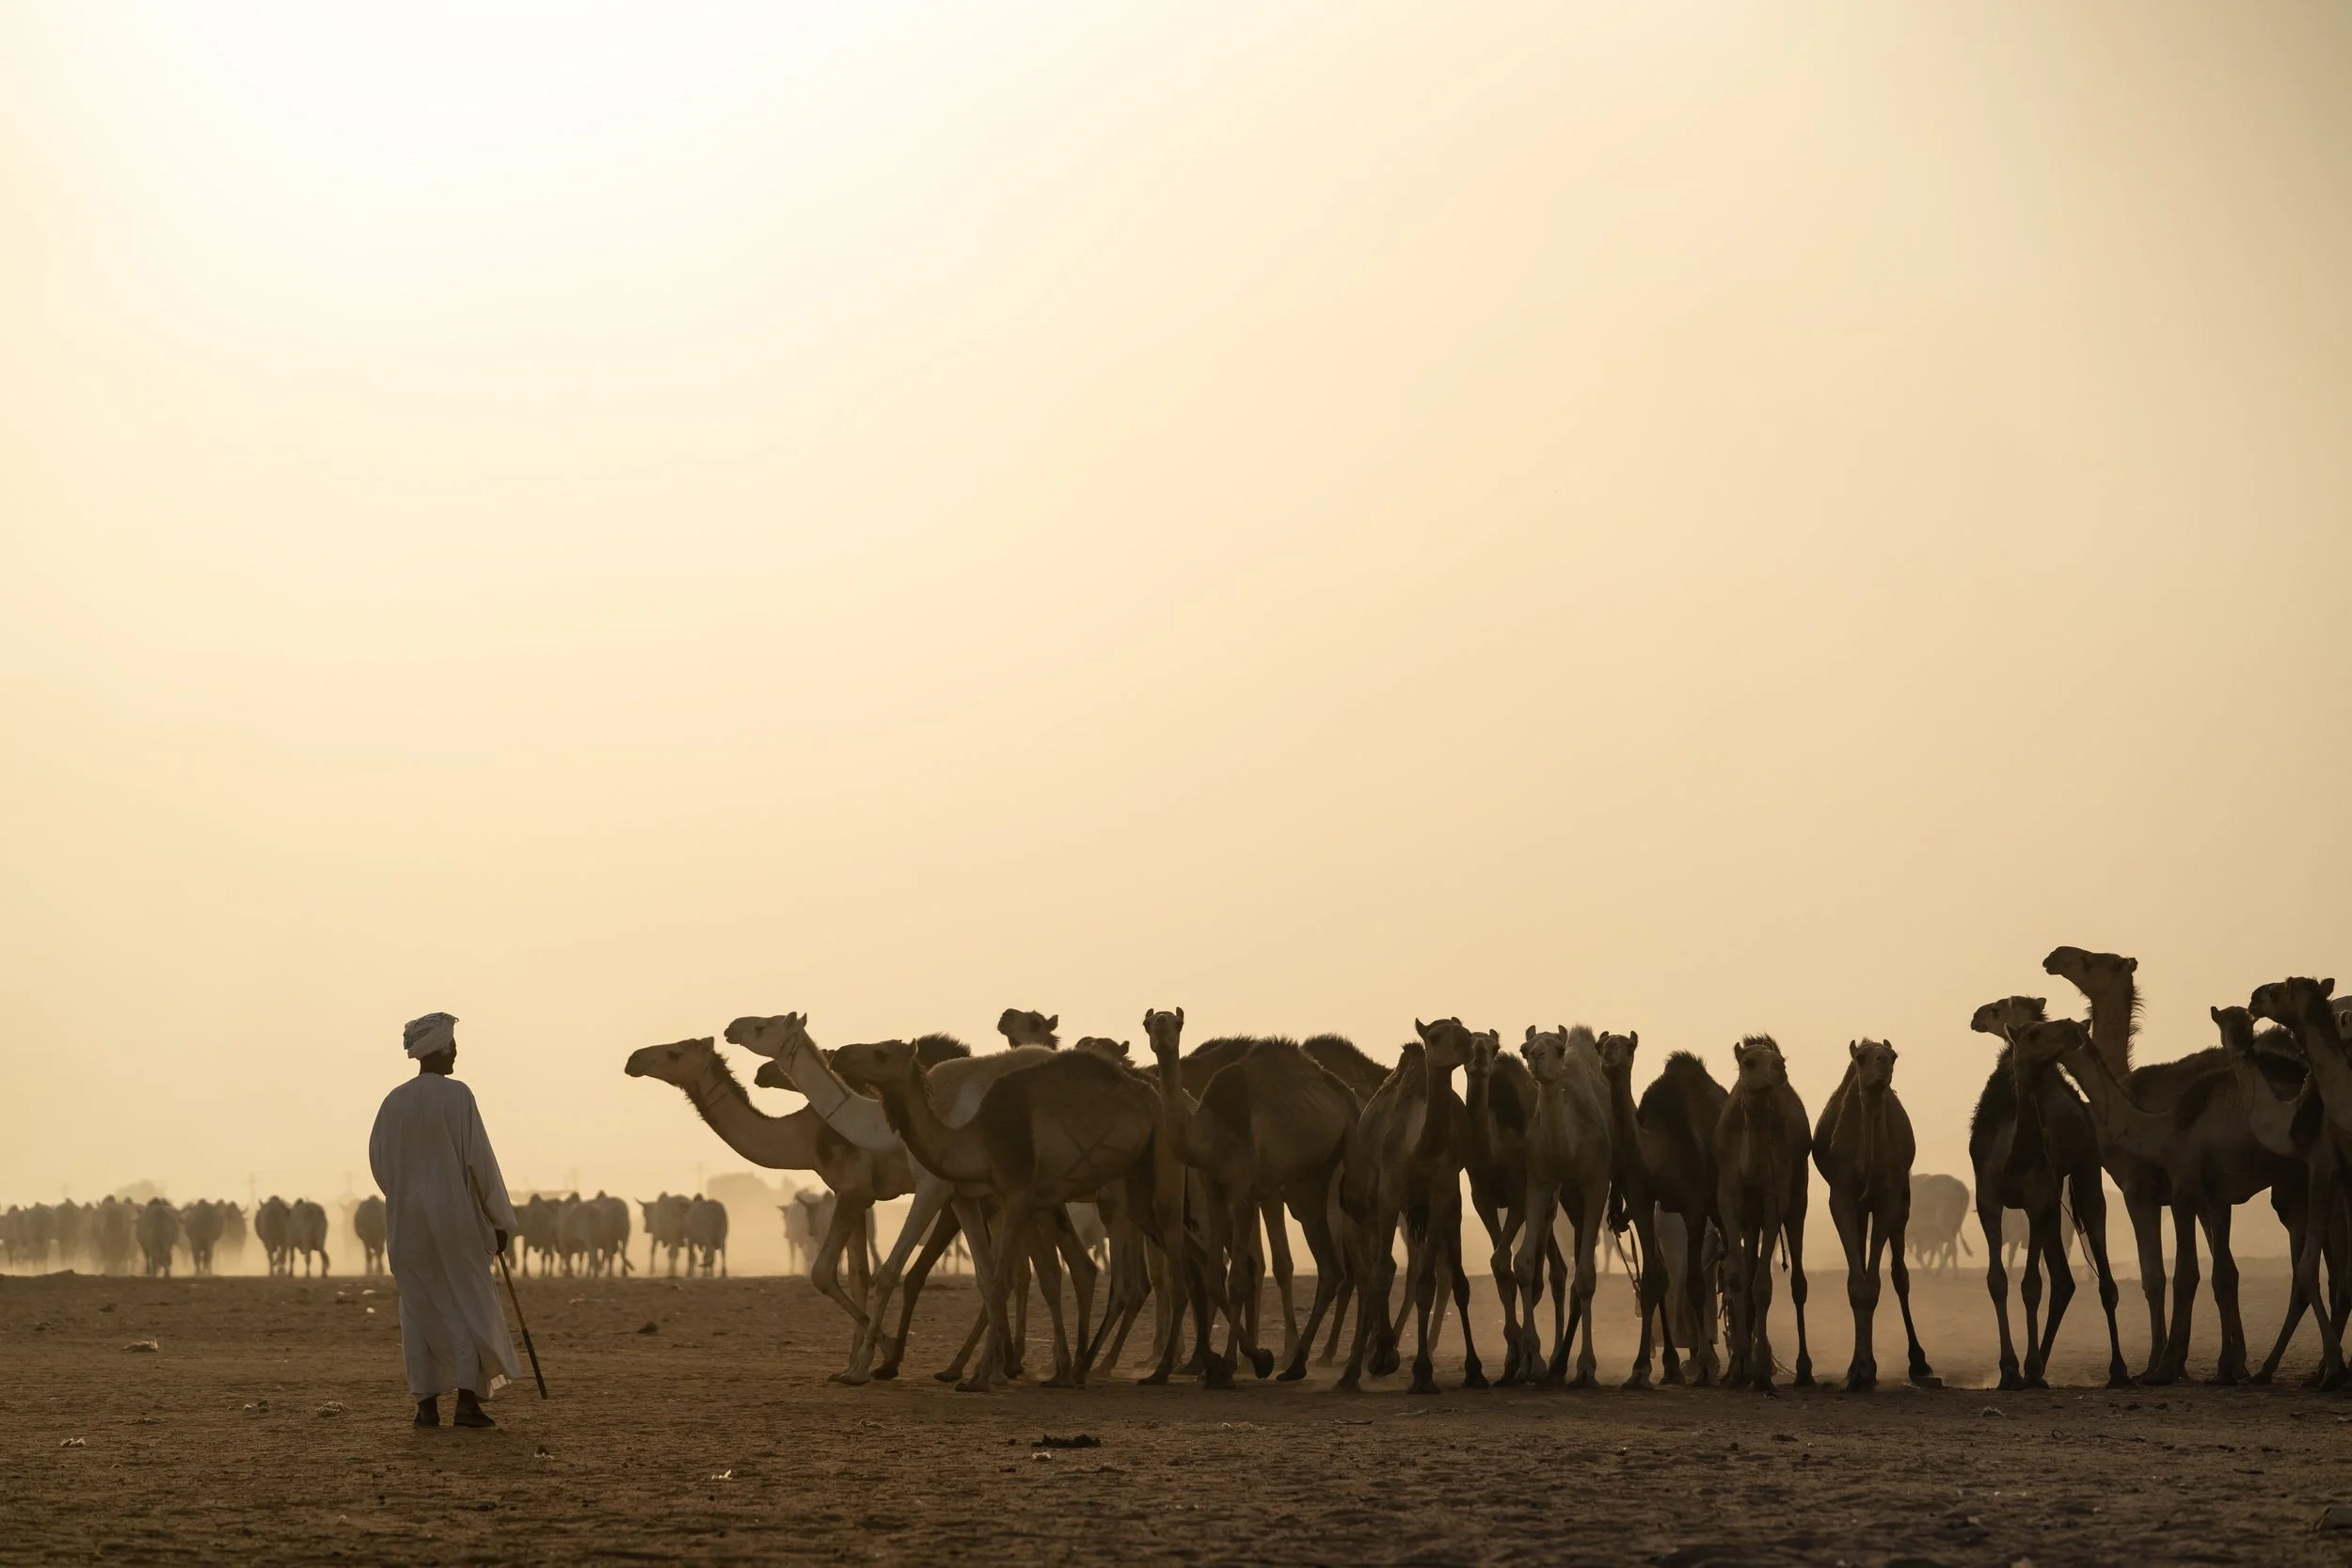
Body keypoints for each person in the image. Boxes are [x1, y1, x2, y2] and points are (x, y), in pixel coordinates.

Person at [367, 1012, 521, 1428]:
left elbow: (379, 1166)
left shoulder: (393, 1101)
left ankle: (426, 1406)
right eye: (454, 1046)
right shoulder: (458, 1096)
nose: (457, 1054)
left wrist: (407, 1196)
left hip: (406, 1225)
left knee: (419, 1308)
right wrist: (499, 1220)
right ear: (444, 1048)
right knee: (469, 1304)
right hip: (456, 1223)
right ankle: (468, 1404)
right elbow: (480, 1162)